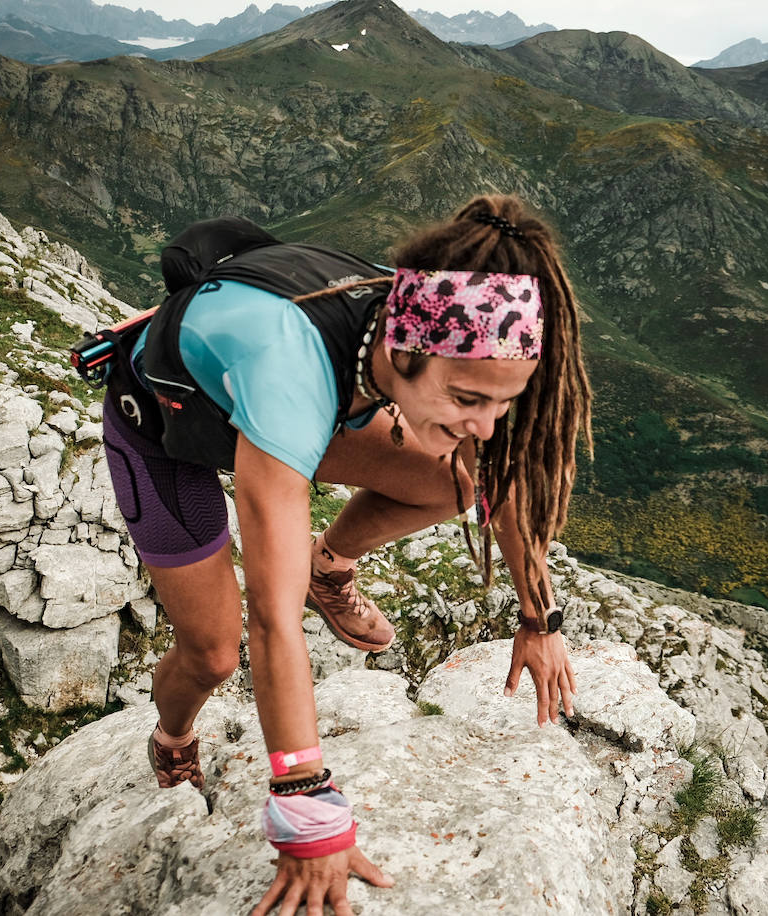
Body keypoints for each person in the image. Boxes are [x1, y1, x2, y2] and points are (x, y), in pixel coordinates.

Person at [101, 194, 592, 916]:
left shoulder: (422, 308)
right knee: (212, 654)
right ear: (403, 351)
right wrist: (306, 805)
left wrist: (539, 618)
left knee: (457, 479)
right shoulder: (291, 372)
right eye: (465, 399)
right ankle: (171, 735)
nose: (485, 426)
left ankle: (330, 569)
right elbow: (271, 617)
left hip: (268, 401)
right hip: (165, 430)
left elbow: (502, 479)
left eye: (501, 404)